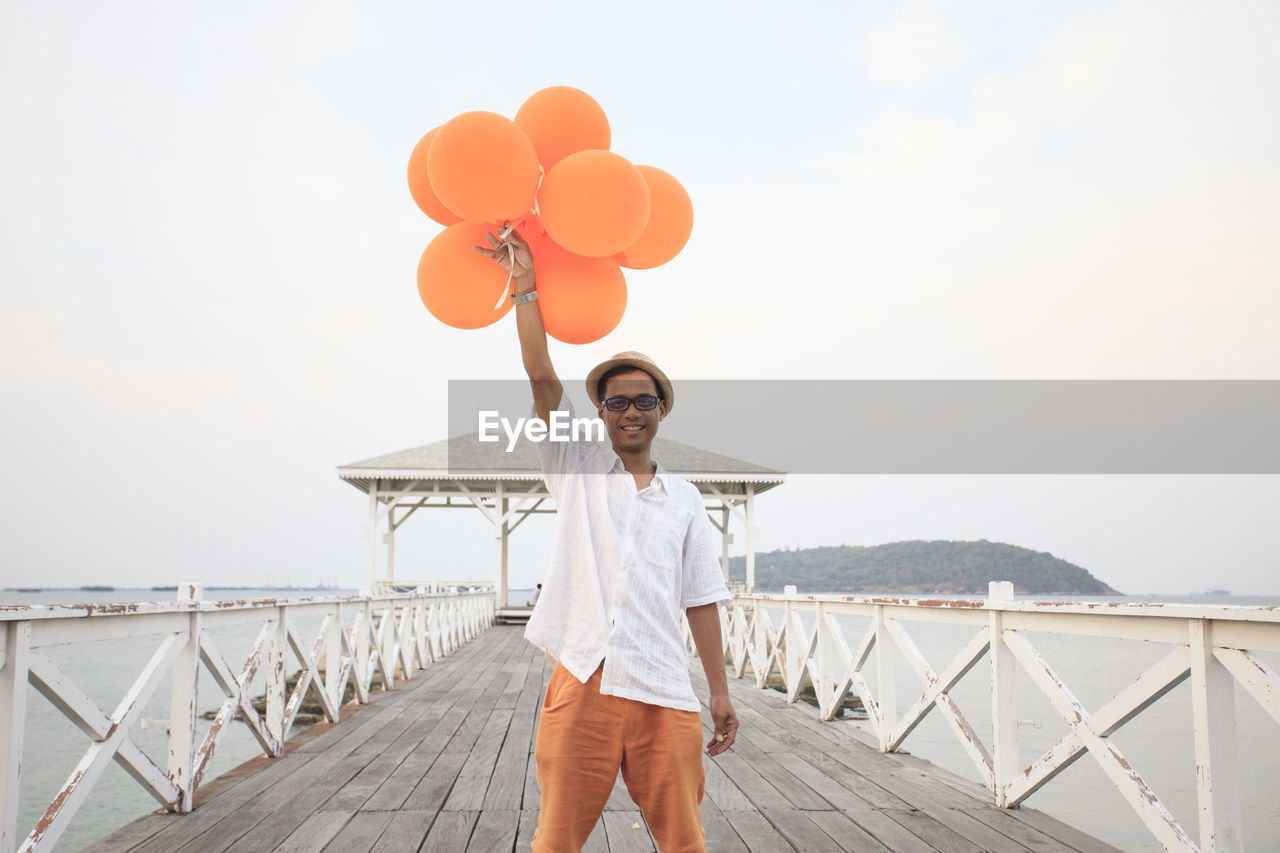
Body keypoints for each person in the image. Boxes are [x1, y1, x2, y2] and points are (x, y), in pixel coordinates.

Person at [475, 226, 738, 853]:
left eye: (643, 400)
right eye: (616, 402)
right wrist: (526, 289)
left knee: (684, 841)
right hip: (584, 676)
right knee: (556, 841)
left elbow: (701, 597)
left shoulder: (686, 500)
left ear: (661, 411)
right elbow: (542, 378)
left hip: (663, 687)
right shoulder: (579, 470)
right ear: (600, 413)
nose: (630, 411)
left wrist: (720, 692)